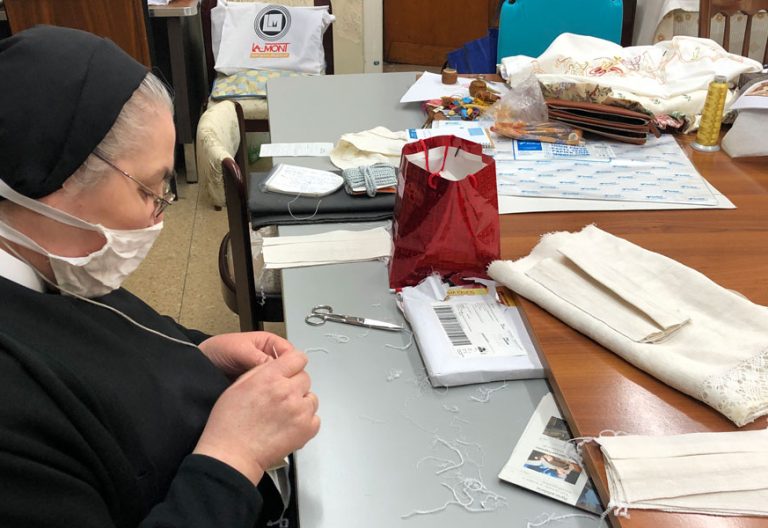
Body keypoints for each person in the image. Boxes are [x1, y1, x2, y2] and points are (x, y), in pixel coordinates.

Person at [0, 26, 319, 527]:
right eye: (148, 191)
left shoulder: (51, 259)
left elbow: (108, 343)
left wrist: (198, 353)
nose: (158, 217)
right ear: (50, 180)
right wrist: (234, 457)